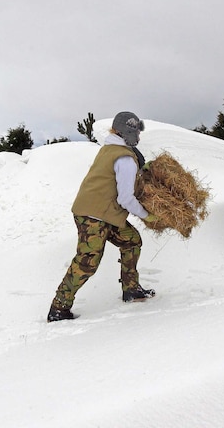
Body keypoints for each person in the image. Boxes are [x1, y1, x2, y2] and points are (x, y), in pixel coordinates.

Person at [47, 112, 159, 322]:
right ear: (127, 132)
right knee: (87, 262)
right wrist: (147, 216)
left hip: (103, 213)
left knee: (132, 241)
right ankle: (59, 308)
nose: (139, 137)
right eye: (136, 133)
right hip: (93, 216)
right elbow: (126, 198)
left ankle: (131, 289)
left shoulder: (111, 149)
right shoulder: (124, 158)